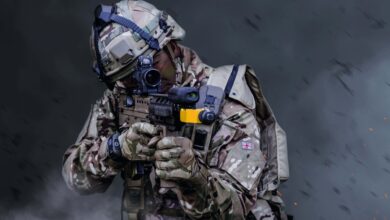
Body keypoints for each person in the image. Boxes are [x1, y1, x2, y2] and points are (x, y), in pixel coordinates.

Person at [62, 0, 290, 219]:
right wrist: (115, 149)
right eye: (128, 78)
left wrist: (193, 176)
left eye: (152, 65)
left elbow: (235, 211)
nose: (144, 81)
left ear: (170, 45)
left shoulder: (224, 103)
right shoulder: (120, 99)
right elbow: (75, 178)